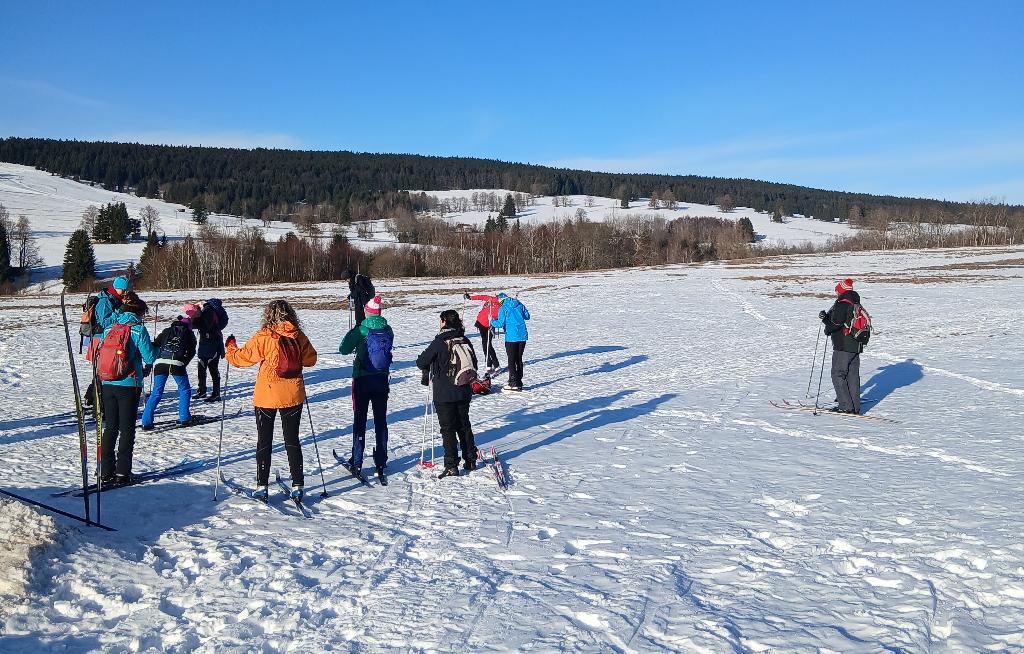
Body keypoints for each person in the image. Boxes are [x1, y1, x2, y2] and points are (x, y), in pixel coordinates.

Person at [226, 300, 317, 500]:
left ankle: (262, 486)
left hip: (266, 396)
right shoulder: (298, 335)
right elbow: (311, 360)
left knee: (264, 441)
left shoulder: (264, 336)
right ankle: (298, 484)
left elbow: (241, 359)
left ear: (268, 315)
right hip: (293, 395)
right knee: (292, 440)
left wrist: (230, 348)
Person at [97, 291, 157, 485]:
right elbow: (150, 357)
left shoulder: (109, 329)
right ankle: (123, 472)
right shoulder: (138, 329)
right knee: (127, 429)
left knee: (111, 428)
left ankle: (105, 471)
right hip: (129, 384)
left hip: (107, 382)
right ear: (139, 312)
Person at [416, 309, 478, 478]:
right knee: (464, 425)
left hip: (444, 393)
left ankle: (451, 465)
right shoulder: (464, 339)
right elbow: (475, 364)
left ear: (444, 321)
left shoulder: (440, 341)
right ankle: (471, 459)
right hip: (464, 389)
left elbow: (421, 361)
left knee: (448, 429)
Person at [338, 295, 393, 483]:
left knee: (360, 420)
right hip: (382, 379)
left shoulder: (361, 330)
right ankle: (381, 460)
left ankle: (357, 460)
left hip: (362, 379)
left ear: (367, 312)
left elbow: (343, 349)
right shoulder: (388, 329)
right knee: (381, 421)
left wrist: (354, 334)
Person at [141, 305, 198, 430]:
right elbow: (192, 352)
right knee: (184, 390)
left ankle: (146, 421)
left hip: (160, 363)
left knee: (156, 392)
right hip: (177, 364)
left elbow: (155, 345)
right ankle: (184, 418)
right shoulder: (189, 333)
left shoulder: (167, 331)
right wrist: (184, 362)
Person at [84, 276, 130, 407]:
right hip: (99, 339)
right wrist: (119, 312)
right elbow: (104, 322)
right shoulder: (105, 301)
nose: (125, 293)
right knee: (103, 370)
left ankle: (91, 397)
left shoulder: (113, 299)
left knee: (102, 370)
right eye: (124, 290)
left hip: (106, 339)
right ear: (117, 288)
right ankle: (97, 400)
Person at [820, 278, 864, 414]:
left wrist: (826, 323)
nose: (836, 293)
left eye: (837, 290)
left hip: (843, 345)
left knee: (837, 374)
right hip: (856, 344)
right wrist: (828, 319)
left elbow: (836, 324)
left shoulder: (842, 303)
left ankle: (845, 406)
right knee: (852, 376)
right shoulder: (856, 302)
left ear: (841, 290)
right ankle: (854, 407)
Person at [491, 292, 531, 391]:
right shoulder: (519, 304)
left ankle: (513, 383)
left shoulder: (503, 308)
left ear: (501, 300)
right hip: (522, 336)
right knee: (519, 359)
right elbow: (527, 316)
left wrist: (491, 321)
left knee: (511, 360)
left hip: (511, 337)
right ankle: (519, 382)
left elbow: (500, 323)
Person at [194, 299, 228, 401]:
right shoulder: (206, 311)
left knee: (213, 368)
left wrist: (195, 320)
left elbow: (206, 326)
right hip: (205, 343)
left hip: (213, 344)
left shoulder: (208, 311)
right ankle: (202, 391)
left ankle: (216, 393)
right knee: (201, 368)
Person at [464, 292, 501, 374]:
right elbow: (481, 297)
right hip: (481, 323)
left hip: (490, 325)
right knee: (486, 344)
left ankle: (492, 364)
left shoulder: (502, 306)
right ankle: (492, 364)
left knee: (487, 344)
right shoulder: (491, 299)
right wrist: (470, 298)